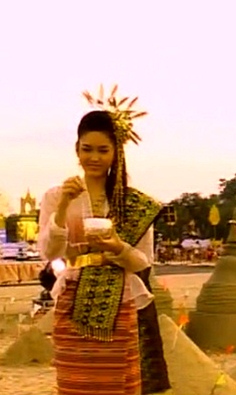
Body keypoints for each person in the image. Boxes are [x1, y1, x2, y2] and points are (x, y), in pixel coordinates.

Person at [37, 88, 170, 395]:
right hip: (71, 299)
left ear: (116, 153)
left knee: (115, 384)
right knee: (75, 385)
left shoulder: (131, 203)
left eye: (102, 150)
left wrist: (117, 248)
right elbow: (49, 251)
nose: (93, 158)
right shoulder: (57, 196)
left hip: (120, 301)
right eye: (87, 149)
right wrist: (62, 208)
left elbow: (142, 261)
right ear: (77, 149)